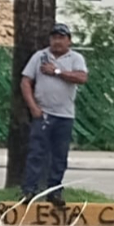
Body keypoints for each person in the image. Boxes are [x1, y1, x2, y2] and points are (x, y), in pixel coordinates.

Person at [20, 23, 88, 207]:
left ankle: (54, 191)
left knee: (59, 156)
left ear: (69, 40)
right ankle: (29, 191)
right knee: (36, 152)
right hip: (43, 114)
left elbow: (82, 78)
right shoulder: (40, 56)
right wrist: (33, 107)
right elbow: (26, 81)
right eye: (54, 37)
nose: (57, 41)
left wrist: (57, 72)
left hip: (65, 115)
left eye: (61, 38)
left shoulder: (75, 58)